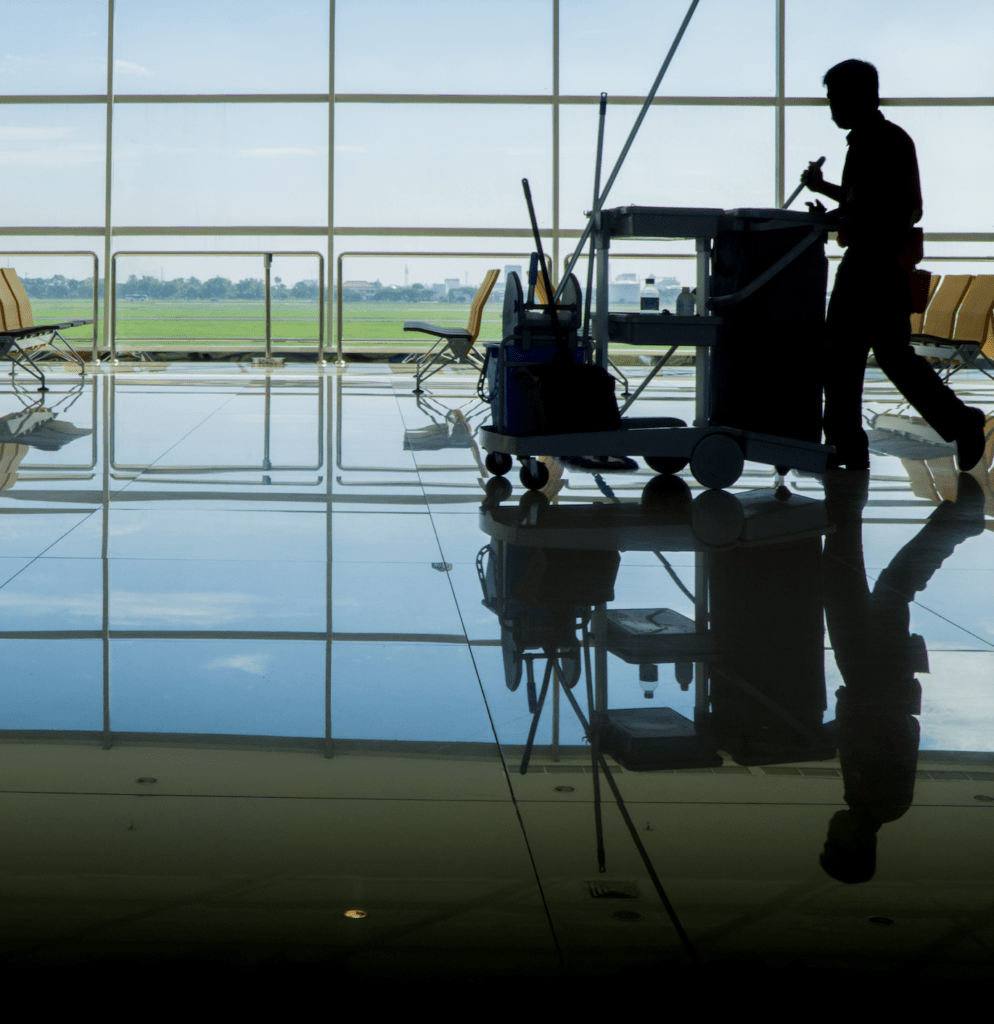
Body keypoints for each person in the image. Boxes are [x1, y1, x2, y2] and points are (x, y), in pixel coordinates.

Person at [801, 59, 986, 472]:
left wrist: (844, 218)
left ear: (859, 96)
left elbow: (896, 212)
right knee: (887, 356)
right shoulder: (878, 140)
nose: (831, 107)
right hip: (879, 265)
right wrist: (832, 198)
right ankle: (957, 423)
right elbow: (869, 203)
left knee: (846, 359)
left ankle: (847, 446)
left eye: (835, 98)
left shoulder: (881, 142)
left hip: (873, 266)